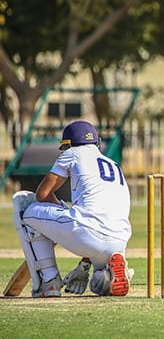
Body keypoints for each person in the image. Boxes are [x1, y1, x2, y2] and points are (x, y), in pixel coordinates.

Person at [12, 120, 133, 297]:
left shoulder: (72, 154)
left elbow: (42, 195)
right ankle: (106, 274)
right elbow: (100, 220)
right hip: (119, 241)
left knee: (25, 206)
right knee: (99, 285)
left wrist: (59, 213)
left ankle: (49, 281)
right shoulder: (113, 164)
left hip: (86, 233)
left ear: (68, 144)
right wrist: (84, 267)